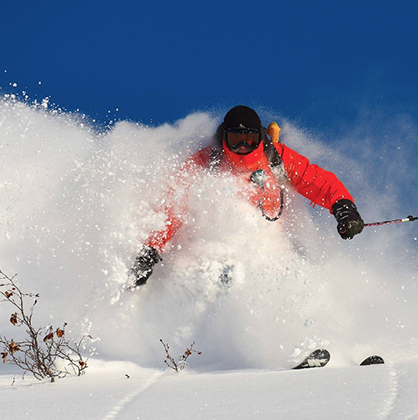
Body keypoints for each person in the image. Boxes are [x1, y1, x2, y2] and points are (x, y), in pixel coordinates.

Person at [130, 105, 364, 286]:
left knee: (300, 276)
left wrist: (343, 208)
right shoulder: (206, 162)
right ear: (224, 139)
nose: (242, 146)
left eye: (249, 140)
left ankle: (313, 341)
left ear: (260, 138)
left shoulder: (277, 157)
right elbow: (173, 205)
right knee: (225, 274)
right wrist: (150, 250)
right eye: (235, 140)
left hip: (275, 246)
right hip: (218, 250)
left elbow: (317, 180)